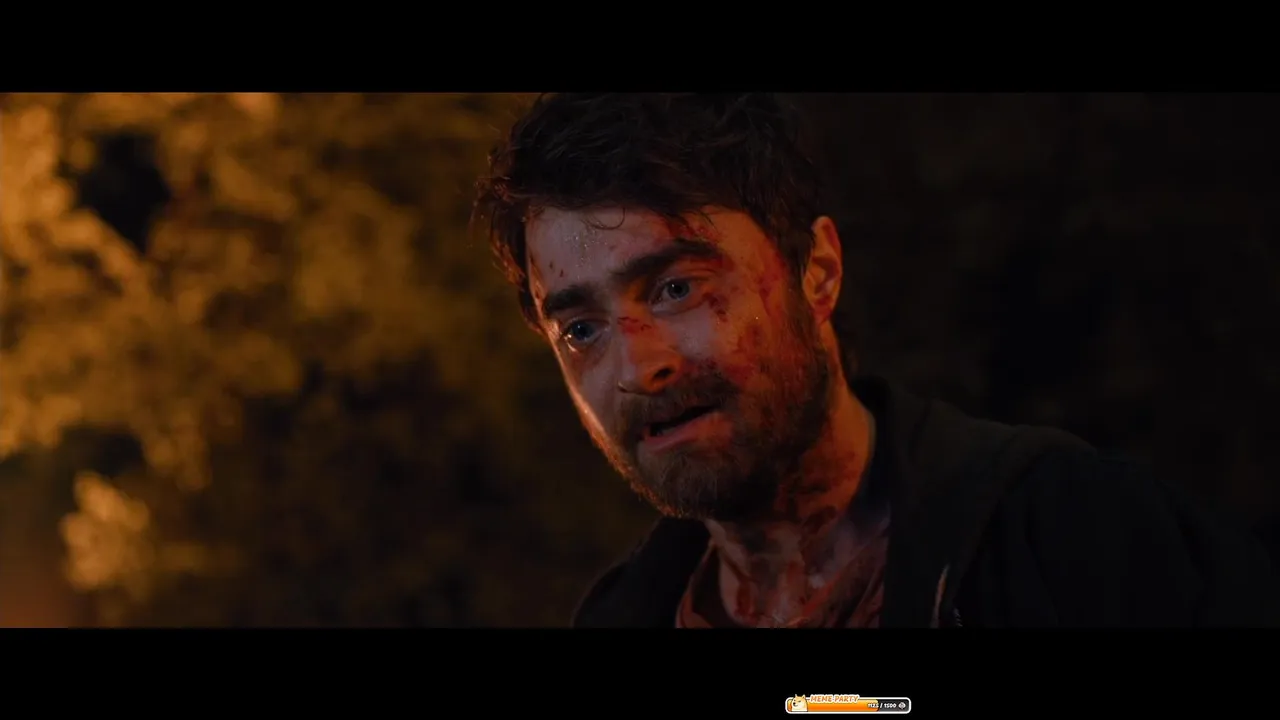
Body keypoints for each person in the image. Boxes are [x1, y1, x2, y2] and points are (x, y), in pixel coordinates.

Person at [471, 93, 1280, 628]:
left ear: (817, 272)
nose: (636, 366)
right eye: (581, 329)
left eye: (678, 287)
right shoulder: (626, 616)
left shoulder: (1075, 535)